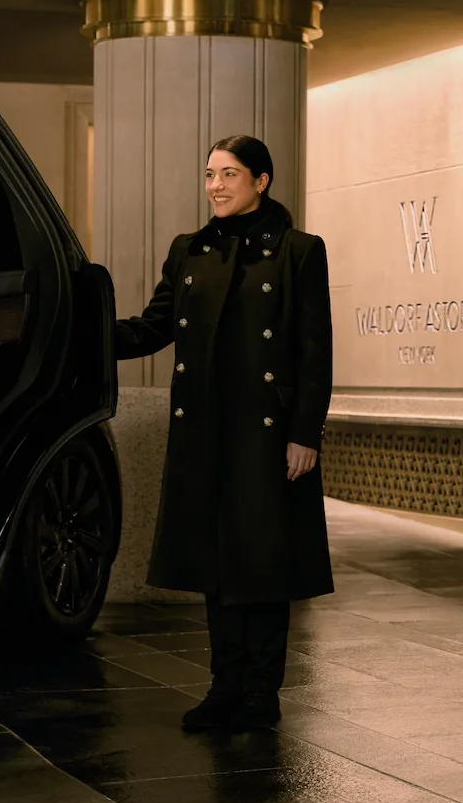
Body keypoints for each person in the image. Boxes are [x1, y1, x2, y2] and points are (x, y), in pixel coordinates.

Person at [114, 135, 334, 732]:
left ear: (262, 180)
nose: (215, 185)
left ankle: (262, 692)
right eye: (210, 174)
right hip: (206, 431)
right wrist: (82, 331)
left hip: (266, 434)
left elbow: (315, 355)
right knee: (216, 564)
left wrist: (304, 433)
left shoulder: (299, 252)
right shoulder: (190, 251)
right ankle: (223, 686)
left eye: (229, 174)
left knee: (263, 565)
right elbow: (154, 327)